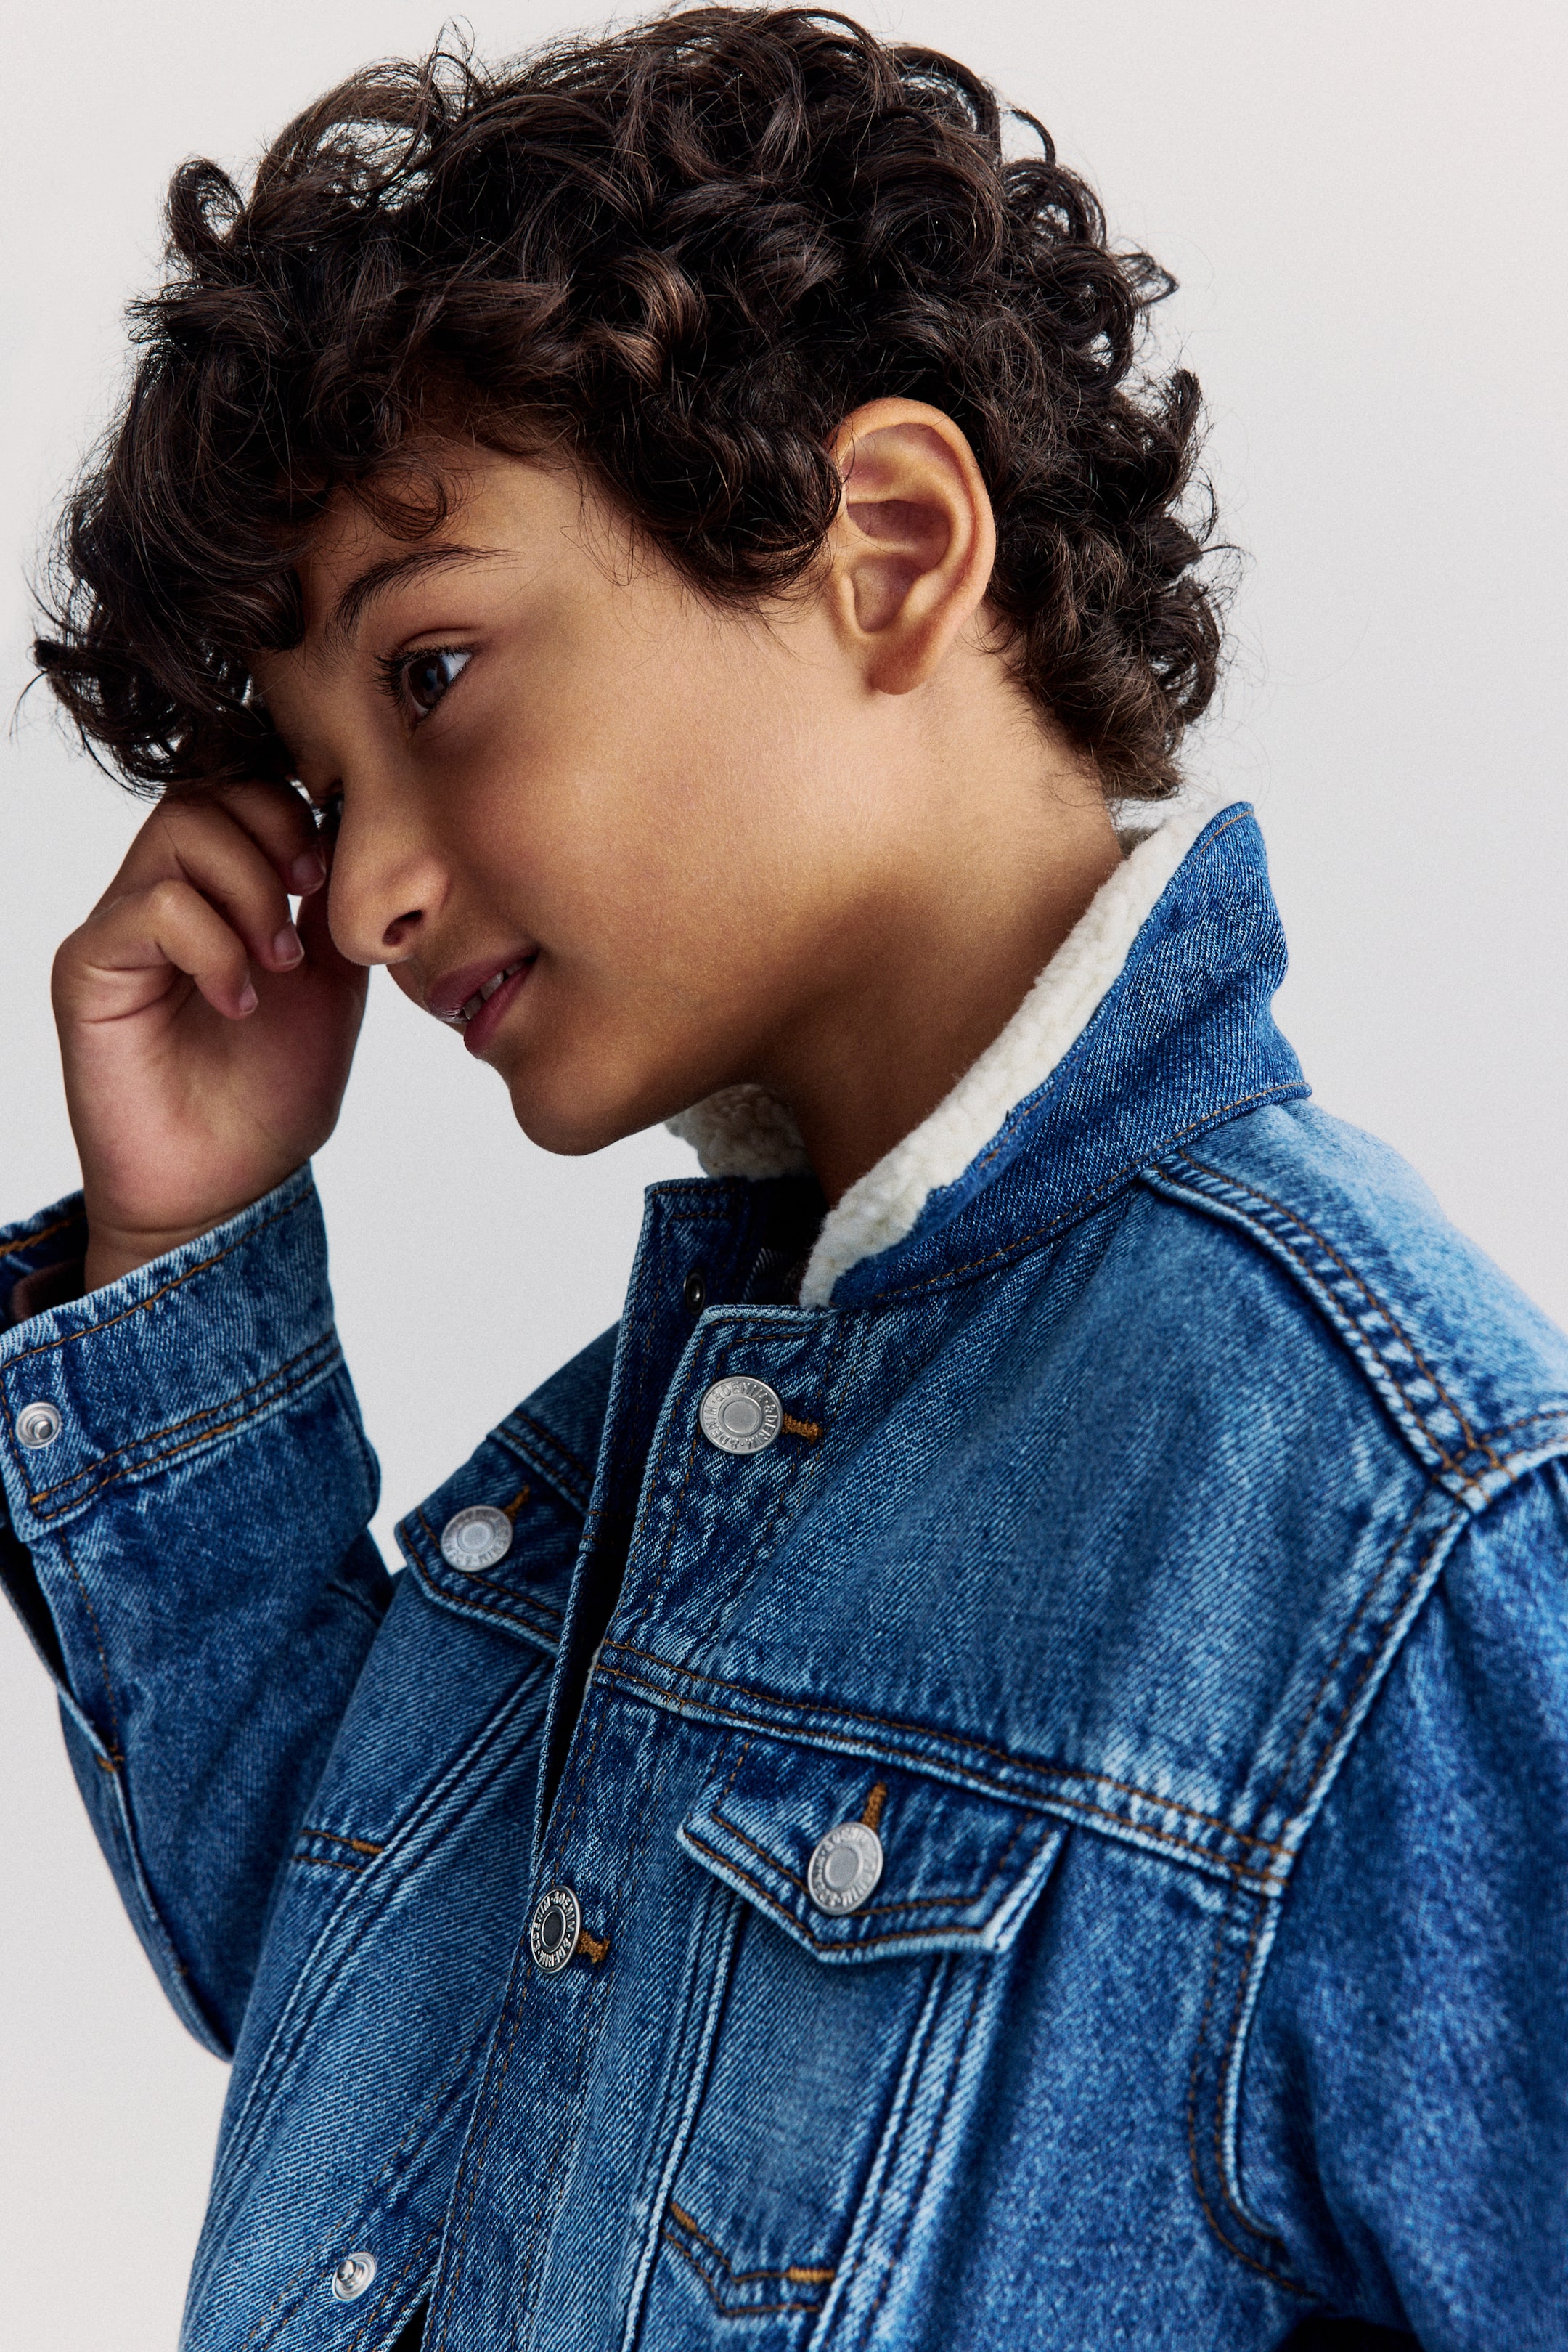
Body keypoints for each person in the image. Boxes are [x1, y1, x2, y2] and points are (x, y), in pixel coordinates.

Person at [3, 8, 1564, 2346]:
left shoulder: (1392, 1519)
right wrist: (183, 1240)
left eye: (429, 678)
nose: (369, 894)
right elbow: (381, 2062)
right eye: (322, 792)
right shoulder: (642, 1471)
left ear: (893, 552)